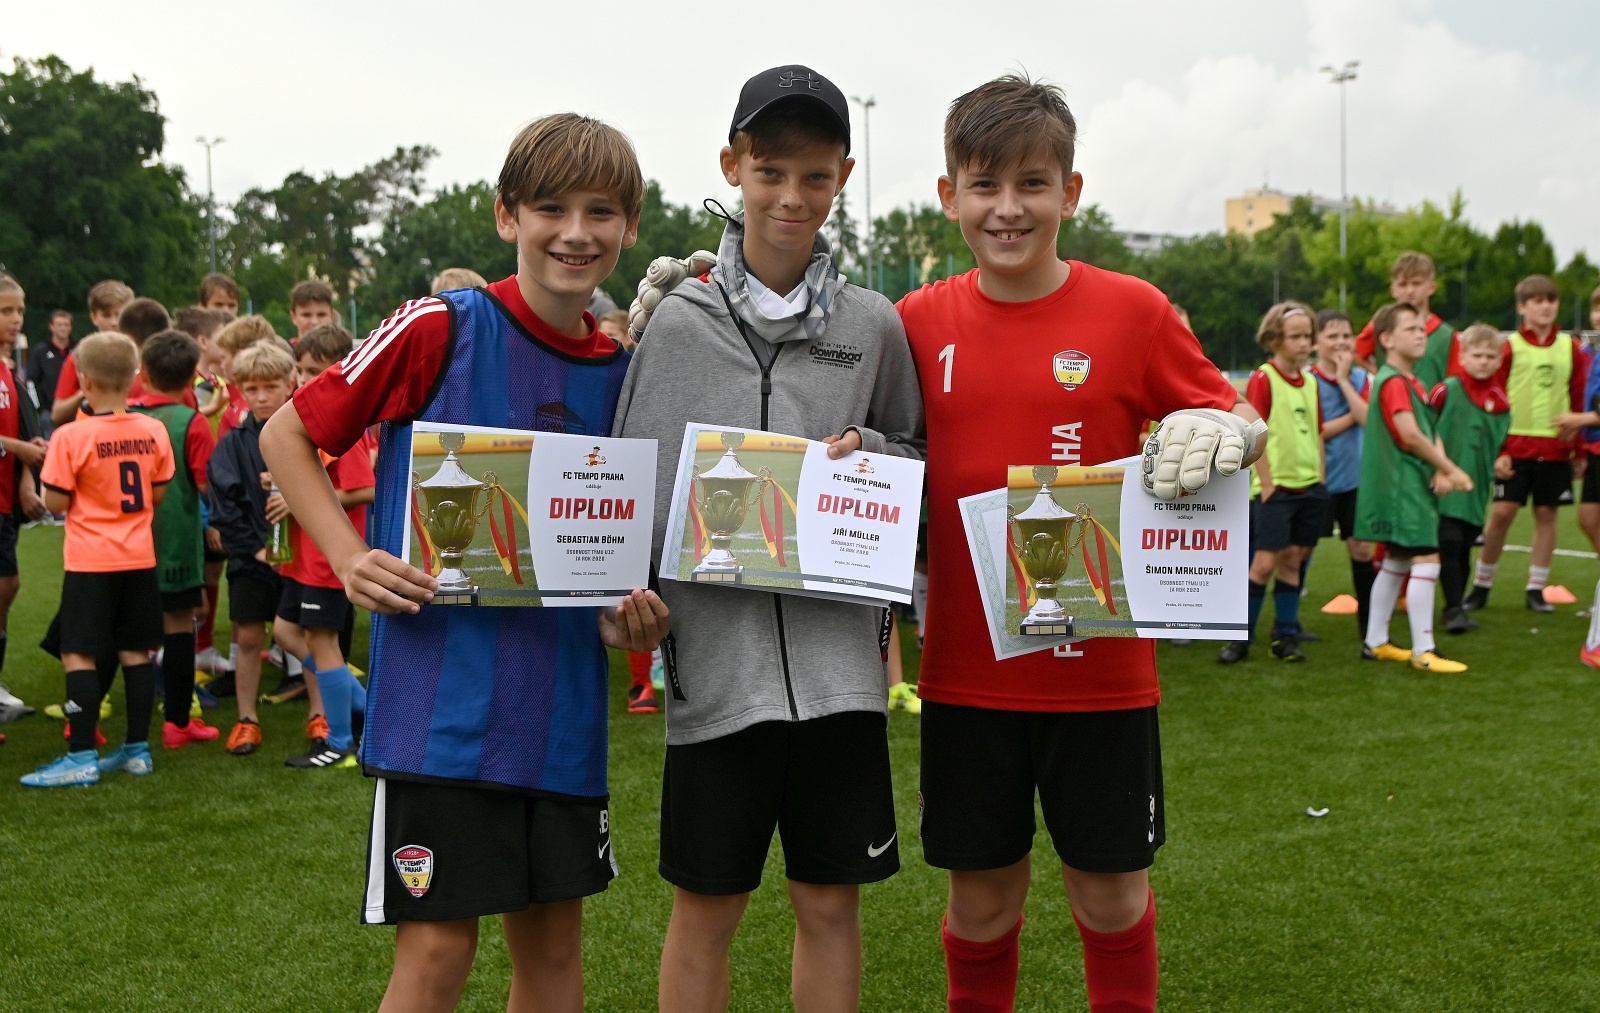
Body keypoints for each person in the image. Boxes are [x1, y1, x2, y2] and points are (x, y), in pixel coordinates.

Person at [260, 111, 670, 1013]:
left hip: (561, 716)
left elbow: (608, 547)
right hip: (439, 716)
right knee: (439, 951)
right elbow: (286, 433)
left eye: (600, 212)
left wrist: (627, 614)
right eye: (551, 208)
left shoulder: (624, 372)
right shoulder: (440, 327)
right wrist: (349, 555)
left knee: (554, 947)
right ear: (506, 214)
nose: (575, 232)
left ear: (630, 226)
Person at [896, 76, 1263, 1013]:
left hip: (1102, 674)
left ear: (1071, 191)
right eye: (984, 185)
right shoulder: (915, 321)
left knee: (1110, 898)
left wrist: (1231, 427)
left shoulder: (1135, 310)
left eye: (1032, 183)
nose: (1008, 208)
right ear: (948, 194)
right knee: (980, 904)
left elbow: (1228, 413)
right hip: (967, 676)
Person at [614, 65, 922, 1013]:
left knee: (829, 903)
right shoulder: (674, 322)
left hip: (840, 678)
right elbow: (630, 482)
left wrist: (871, 452)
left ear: (843, 178)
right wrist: (620, 607)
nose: (791, 196)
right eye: (770, 172)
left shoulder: (874, 323)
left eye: (815, 176)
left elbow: (915, 455)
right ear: (732, 167)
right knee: (707, 908)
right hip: (715, 678)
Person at [22, 332, 174, 786]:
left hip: (91, 560)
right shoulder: (153, 429)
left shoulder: (71, 435)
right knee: (135, 650)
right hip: (138, 556)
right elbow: (158, 494)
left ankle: (81, 755)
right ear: (133, 379)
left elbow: (55, 503)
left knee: (78, 651)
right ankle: (137, 750)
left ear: (84, 380)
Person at [272, 323, 374, 769]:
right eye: (300, 369)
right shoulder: (307, 416)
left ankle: (340, 741)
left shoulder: (343, 423)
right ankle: (365, 704)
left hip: (328, 557)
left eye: (314, 371)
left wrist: (298, 496)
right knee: (285, 632)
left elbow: (365, 487)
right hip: (302, 557)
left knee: (322, 641)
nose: (303, 379)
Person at [1355, 303, 1473, 673]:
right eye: (1411, 329)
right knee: (1427, 559)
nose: (1421, 335)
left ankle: (1375, 642)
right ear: (1387, 340)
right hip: (1402, 489)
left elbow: (1426, 430)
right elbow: (1410, 435)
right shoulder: (1393, 381)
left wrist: (1439, 466)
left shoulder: (1408, 380)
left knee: (1396, 561)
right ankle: (1424, 650)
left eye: (1422, 329)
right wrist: (1451, 469)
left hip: (1405, 486)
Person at [1466, 275, 1586, 614]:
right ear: (1522, 307)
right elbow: (1495, 397)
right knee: (1502, 513)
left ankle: (1536, 588)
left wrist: (1578, 449)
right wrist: (1500, 450)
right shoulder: (1510, 347)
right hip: (1515, 447)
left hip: (1556, 448)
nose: (1545, 307)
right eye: (1537, 301)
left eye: (1551, 300)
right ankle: (1481, 585)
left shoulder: (1570, 348)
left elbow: (1578, 396)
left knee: (1547, 514)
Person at [129, 329, 222, 747]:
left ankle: (90, 724)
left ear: (144, 374)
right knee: (180, 624)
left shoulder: (121, 416)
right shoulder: (193, 422)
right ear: (189, 380)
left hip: (125, 541)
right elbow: (205, 484)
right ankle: (178, 724)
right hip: (176, 541)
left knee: (121, 627)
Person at [208, 341, 300, 756]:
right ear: (241, 390)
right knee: (248, 637)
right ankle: (247, 719)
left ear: (289, 383)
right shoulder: (231, 444)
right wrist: (256, 550)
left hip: (302, 558)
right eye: (252, 389)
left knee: (309, 635)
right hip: (251, 559)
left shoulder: (307, 435)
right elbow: (223, 509)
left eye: (270, 387)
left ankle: (322, 715)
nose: (261, 397)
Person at [1226, 301, 1326, 664]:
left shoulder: (1311, 381)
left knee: (1293, 561)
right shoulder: (1264, 378)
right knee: (1264, 563)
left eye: (1307, 336)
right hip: (1276, 489)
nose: (1304, 343)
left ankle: (1285, 636)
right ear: (1274, 339)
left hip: (1309, 487)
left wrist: (1321, 478)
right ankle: (1240, 639)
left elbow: (1317, 433)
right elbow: (1254, 431)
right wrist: (1266, 484)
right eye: (1295, 336)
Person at [1429, 324, 1510, 634]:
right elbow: (1425, 429)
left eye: (1490, 356)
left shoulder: (1501, 402)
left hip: (1475, 487)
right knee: (1448, 541)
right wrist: (1437, 469)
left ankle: (1455, 606)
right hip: (1441, 484)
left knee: (1463, 545)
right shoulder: (1445, 391)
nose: (1483, 361)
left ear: (1499, 360)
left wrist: (1502, 458)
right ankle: (1453, 609)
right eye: (1477, 355)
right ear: (1462, 357)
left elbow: (1502, 442)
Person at [172, 306, 234, 675]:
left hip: (214, 489)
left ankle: (203, 647)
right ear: (203, 341)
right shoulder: (189, 385)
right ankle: (184, 652)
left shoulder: (216, 380)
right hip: (197, 494)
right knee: (192, 583)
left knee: (212, 572)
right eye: (221, 336)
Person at [1308, 308, 1376, 638]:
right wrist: (1354, 414)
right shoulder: (1307, 381)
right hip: (1317, 479)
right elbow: (1316, 431)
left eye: (1346, 335)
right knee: (1299, 552)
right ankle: (1287, 627)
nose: (1340, 342)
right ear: (1315, 342)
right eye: (1332, 335)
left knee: (1362, 549)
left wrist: (1344, 380)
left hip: (1354, 480)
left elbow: (1368, 419)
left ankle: (1370, 626)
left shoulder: (1361, 378)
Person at [0, 275, 48, 724]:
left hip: (4, 501)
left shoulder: (10, 372)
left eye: (19, 310)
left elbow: (22, 431)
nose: (16, 320)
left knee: (8, 584)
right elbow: (15, 441)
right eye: (5, 311)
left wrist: (26, 480)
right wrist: (20, 449)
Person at [1554, 287, 1600, 665]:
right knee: (1587, 519)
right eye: (1596, 309)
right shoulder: (1593, 353)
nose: (1598, 316)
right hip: (1597, 449)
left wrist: (1580, 419)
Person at [1353, 252, 1458, 387]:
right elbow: (1356, 352)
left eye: (1416, 283)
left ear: (1431, 287)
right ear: (1393, 290)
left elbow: (1457, 381)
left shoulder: (1447, 336)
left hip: (1430, 400)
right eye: (1403, 284)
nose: (1409, 290)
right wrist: (1379, 375)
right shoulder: (1381, 325)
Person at [29, 310, 74, 437]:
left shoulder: (79, 349)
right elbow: (32, 381)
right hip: (49, 414)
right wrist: (40, 409)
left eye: (66, 325)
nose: (63, 328)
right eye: (59, 324)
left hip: (75, 412)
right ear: (51, 326)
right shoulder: (40, 352)